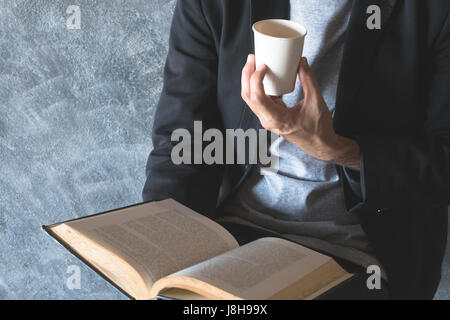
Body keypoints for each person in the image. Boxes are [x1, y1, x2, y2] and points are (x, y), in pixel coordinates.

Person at [143, 0, 450, 299]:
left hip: (354, 257)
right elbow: (181, 140)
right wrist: (160, 248)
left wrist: (341, 150)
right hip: (231, 236)